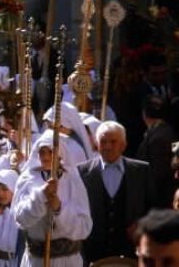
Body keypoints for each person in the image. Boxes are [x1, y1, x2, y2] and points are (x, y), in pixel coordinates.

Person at [78, 120, 156, 264]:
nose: (108, 146)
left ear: (123, 145)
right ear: (96, 143)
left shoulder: (141, 171)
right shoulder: (81, 172)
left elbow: (153, 206)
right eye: (103, 141)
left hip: (129, 251)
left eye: (113, 142)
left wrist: (142, 225)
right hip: (92, 252)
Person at [12, 129, 93, 267]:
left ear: (60, 154)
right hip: (36, 260)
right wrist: (41, 196)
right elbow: (20, 219)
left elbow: (84, 227)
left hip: (67, 262)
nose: (46, 156)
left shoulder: (73, 181)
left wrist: (59, 209)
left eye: (51, 152)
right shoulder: (27, 179)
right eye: (42, 152)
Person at [136, 94, 176, 207]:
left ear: (144, 114)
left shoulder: (159, 137)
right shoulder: (166, 131)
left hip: (159, 203)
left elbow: (158, 175)